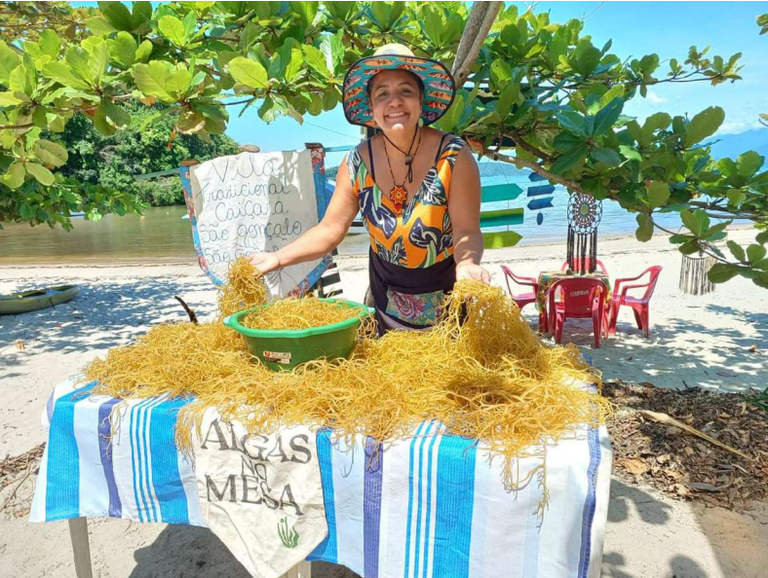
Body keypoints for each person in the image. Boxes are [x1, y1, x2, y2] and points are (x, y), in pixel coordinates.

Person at [250, 44, 490, 334]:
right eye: (382, 94)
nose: (395, 102)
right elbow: (329, 231)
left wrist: (467, 265)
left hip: (450, 303)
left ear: (421, 99)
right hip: (385, 304)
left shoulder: (453, 156)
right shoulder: (354, 163)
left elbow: (467, 231)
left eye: (405, 91)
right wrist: (276, 258)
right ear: (372, 107)